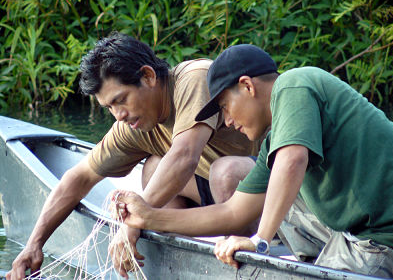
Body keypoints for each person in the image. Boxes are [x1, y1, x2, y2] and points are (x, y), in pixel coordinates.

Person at [111, 44, 393, 278]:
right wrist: (149, 217)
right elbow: (234, 212)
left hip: (383, 241)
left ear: (247, 86)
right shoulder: (275, 142)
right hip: (355, 231)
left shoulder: (294, 83)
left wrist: (259, 240)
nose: (226, 120)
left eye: (224, 106)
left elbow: (292, 161)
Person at [5, 35, 264, 280]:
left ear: (148, 77)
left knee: (224, 172)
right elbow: (79, 178)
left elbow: (184, 156)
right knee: (152, 167)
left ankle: (243, 256)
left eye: (121, 100)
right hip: (212, 198)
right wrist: (34, 245)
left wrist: (133, 220)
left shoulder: (193, 78)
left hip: (263, 193)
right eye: (109, 108)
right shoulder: (131, 125)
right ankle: (179, 252)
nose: (118, 114)